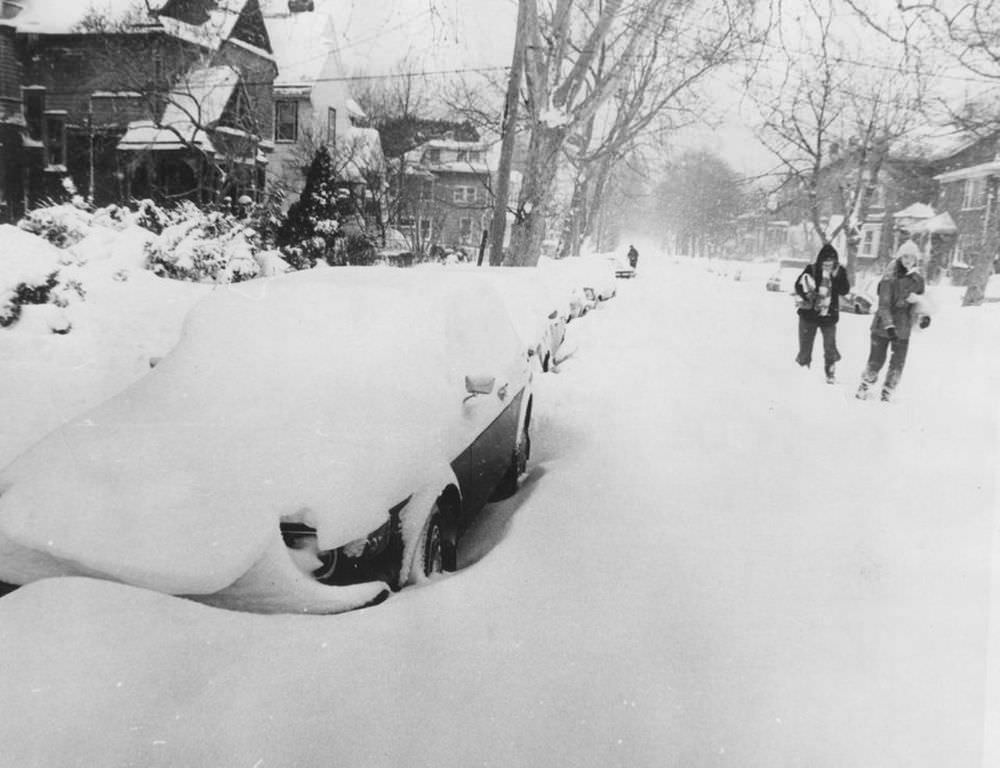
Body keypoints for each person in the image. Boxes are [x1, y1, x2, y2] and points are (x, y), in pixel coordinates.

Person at [856, 240, 926, 402]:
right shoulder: (889, 278)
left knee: (898, 363)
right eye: (905, 257)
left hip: (903, 329)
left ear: (916, 259)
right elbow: (883, 305)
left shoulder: (918, 280)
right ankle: (865, 385)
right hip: (883, 327)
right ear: (900, 258)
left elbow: (919, 304)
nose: (908, 260)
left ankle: (888, 391)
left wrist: (923, 317)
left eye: (912, 257)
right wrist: (889, 326)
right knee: (876, 360)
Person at [794, 243, 850, 383]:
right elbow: (798, 285)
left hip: (829, 316)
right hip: (809, 315)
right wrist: (809, 295)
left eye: (831, 262)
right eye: (825, 262)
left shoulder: (839, 271)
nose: (828, 265)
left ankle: (830, 370)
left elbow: (845, 290)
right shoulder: (812, 269)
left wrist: (836, 277)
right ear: (820, 260)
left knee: (830, 345)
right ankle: (803, 369)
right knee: (805, 345)